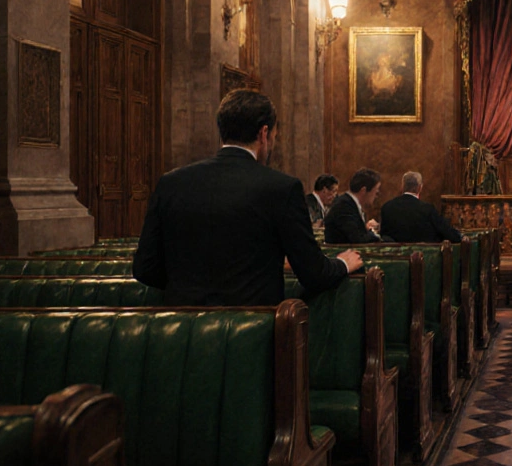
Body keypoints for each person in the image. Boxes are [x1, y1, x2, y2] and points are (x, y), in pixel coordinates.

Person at [132, 90, 362, 305]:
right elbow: (314, 274)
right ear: (264, 134)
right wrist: (343, 262)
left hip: (180, 332)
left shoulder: (171, 183)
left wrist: (190, 290)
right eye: (273, 136)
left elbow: (145, 268)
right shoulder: (282, 188)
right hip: (251, 332)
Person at [379, 171, 462, 244]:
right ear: (419, 188)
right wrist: (460, 236)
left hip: (395, 257)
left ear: (402, 186)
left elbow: (383, 236)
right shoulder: (428, 209)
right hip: (424, 258)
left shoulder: (387, 207)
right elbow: (447, 233)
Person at [325, 168, 384, 245]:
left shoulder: (349, 203)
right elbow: (357, 239)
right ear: (363, 190)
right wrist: (377, 236)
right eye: (375, 191)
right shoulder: (344, 206)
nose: (376, 196)